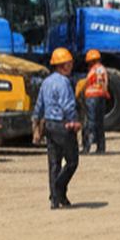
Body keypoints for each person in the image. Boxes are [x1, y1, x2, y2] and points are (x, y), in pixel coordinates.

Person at [31, 47, 81, 209]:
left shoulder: (46, 82)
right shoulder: (64, 82)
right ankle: (59, 188)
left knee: (54, 163)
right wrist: (73, 121)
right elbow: (68, 104)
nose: (71, 66)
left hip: (49, 126)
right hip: (62, 125)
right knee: (72, 161)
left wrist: (36, 124)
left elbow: (39, 105)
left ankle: (56, 199)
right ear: (63, 65)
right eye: (69, 63)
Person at [79, 50, 109, 155]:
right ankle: (101, 148)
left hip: (91, 98)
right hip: (101, 97)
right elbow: (105, 83)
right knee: (100, 123)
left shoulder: (93, 70)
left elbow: (86, 82)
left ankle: (87, 147)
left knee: (89, 123)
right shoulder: (103, 69)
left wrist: (79, 93)